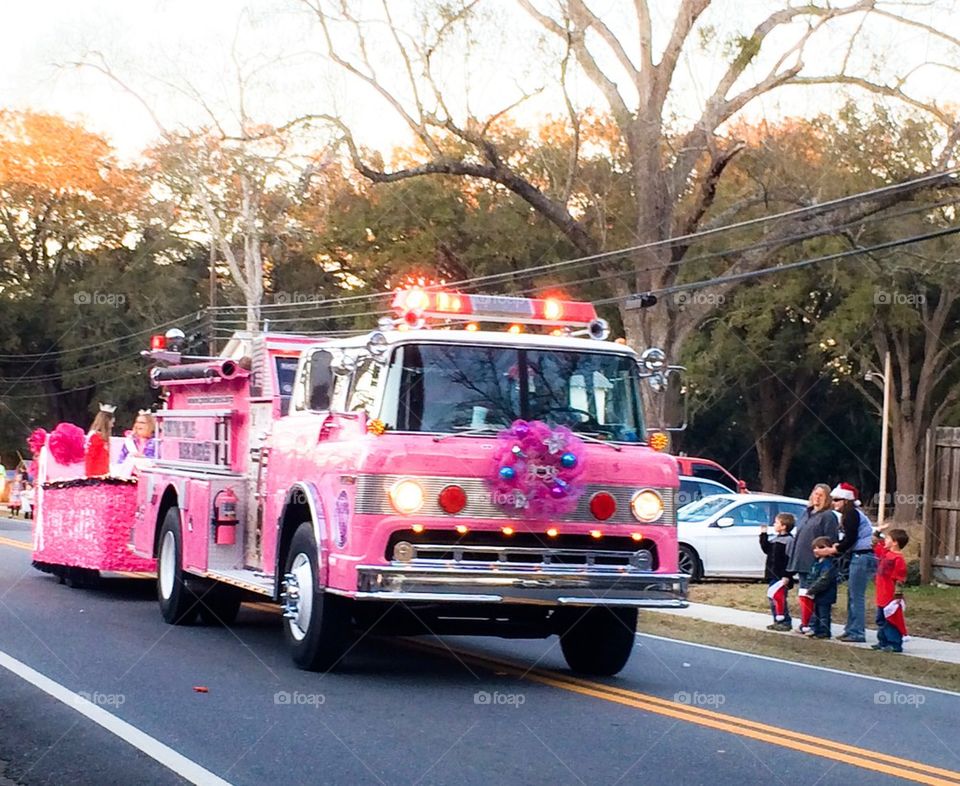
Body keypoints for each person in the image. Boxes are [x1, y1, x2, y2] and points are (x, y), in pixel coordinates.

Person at [827, 482, 877, 644]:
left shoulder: (852, 515)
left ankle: (857, 632)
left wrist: (837, 549)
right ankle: (851, 628)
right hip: (859, 555)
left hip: (862, 556)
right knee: (852, 595)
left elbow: (851, 539)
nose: (833, 503)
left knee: (857, 596)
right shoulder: (851, 514)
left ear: (846, 500)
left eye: (836, 500)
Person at [786, 483, 839, 634]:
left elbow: (830, 539)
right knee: (804, 593)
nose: (817, 497)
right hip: (801, 559)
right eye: (816, 494)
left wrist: (822, 554)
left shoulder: (828, 516)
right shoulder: (806, 512)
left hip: (816, 562)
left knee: (814, 593)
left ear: (827, 498)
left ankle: (815, 625)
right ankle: (807, 622)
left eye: (821, 495)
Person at [873, 528, 910, 653]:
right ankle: (882, 641)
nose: (885, 540)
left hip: (890, 594)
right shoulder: (886, 553)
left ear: (895, 542)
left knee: (891, 620)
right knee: (881, 619)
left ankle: (894, 643)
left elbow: (900, 578)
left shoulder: (897, 559)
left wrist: (897, 596)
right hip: (881, 593)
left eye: (888, 538)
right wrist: (877, 532)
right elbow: (874, 544)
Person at [760, 512, 796, 631]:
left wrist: (787, 575)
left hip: (781, 576)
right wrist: (763, 535)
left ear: (784, 526)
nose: (774, 525)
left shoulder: (789, 541)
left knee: (779, 598)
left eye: (776, 523)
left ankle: (785, 621)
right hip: (773, 574)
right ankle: (777, 620)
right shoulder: (776, 539)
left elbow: (790, 559)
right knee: (773, 598)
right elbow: (766, 549)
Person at [806, 536, 839, 639]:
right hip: (817, 593)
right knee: (816, 613)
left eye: (819, 548)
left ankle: (824, 631)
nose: (816, 551)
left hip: (825, 594)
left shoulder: (828, 564)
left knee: (824, 614)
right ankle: (816, 629)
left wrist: (812, 589)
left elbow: (824, 580)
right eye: (814, 548)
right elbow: (812, 576)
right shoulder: (817, 563)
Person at [116, 411, 157, 477]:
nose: (138, 425)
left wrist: (143, 456)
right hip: (129, 475)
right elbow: (121, 459)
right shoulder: (130, 441)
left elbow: (159, 460)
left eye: (142, 423)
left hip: (148, 475)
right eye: (137, 422)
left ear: (150, 425)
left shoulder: (156, 441)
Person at [85, 403, 115, 477]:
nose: (112, 425)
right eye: (112, 422)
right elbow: (91, 458)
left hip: (101, 475)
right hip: (96, 475)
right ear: (107, 422)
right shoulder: (96, 437)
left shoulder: (101, 438)